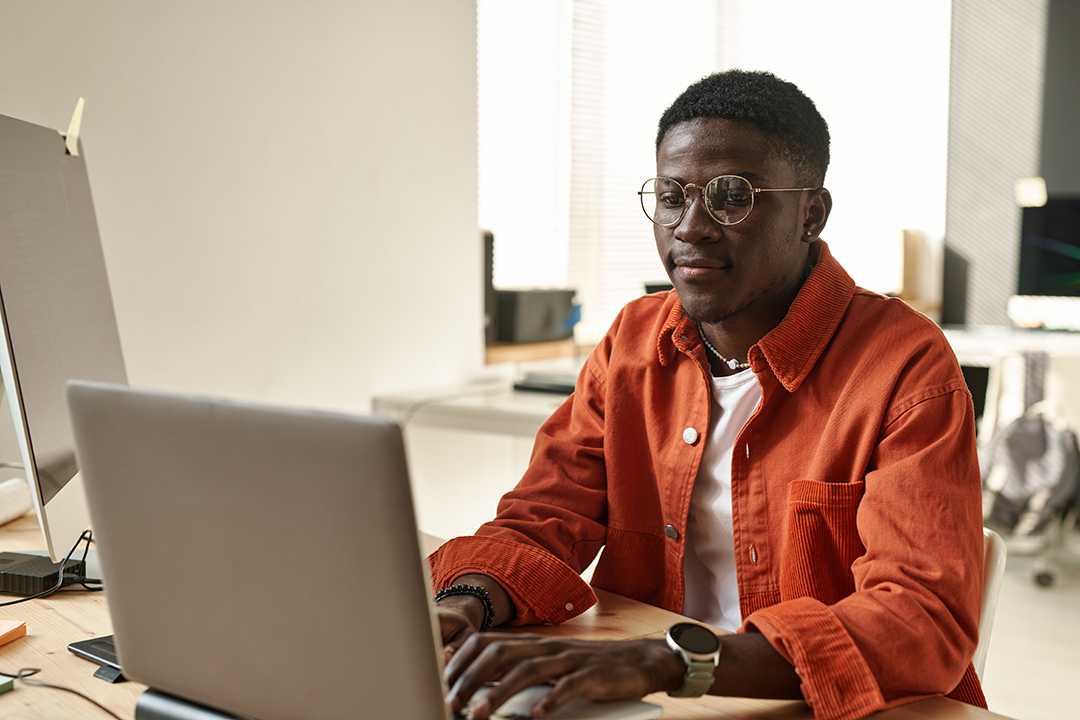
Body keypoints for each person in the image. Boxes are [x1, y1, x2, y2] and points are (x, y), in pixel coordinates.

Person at [430, 70, 987, 720]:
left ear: (812, 212)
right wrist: (463, 603)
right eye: (671, 196)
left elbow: (920, 619)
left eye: (732, 196)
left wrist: (665, 660)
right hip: (655, 700)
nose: (690, 228)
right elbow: (544, 516)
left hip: (811, 704)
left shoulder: (906, 365)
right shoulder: (632, 342)